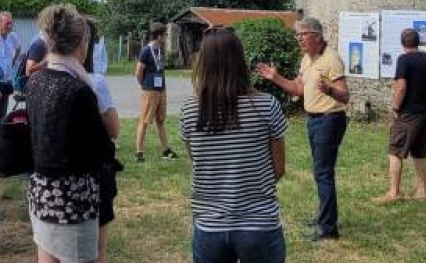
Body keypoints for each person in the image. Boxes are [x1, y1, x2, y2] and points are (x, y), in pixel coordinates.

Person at [181, 27, 288, 263]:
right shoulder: (266, 105)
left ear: (203, 64)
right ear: (240, 61)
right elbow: (278, 169)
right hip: (259, 224)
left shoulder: (190, 110)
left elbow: (199, 163)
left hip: (209, 226)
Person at [25, 5, 115, 263]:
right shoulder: (79, 90)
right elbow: (103, 149)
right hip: (72, 197)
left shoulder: (36, 81)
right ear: (81, 43)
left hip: (41, 188)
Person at [257, 17, 349, 241]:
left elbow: (344, 96)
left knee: (323, 173)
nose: (299, 39)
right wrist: (275, 77)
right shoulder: (307, 59)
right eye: (297, 35)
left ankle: (328, 228)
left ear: (317, 36)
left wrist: (330, 90)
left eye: (303, 34)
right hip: (315, 120)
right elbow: (298, 89)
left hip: (330, 119)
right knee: (321, 172)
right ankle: (324, 218)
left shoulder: (331, 59)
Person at [379, 27, 426, 202]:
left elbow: (401, 86)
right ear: (418, 42)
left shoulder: (404, 60)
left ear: (402, 43)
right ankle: (421, 191)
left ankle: (394, 192)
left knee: (395, 151)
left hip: (408, 113)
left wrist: (396, 108)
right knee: (419, 154)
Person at [81, 18, 123, 263]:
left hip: (52, 183)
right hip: (93, 173)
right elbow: (114, 128)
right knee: (97, 248)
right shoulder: (94, 81)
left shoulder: (41, 79)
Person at [133, 22, 177, 163]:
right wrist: (144, 85)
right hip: (150, 90)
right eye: (165, 35)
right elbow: (138, 72)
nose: (166, 37)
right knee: (144, 121)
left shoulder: (160, 50)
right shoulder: (146, 51)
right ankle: (139, 152)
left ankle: (166, 150)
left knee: (160, 120)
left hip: (161, 89)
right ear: (159, 36)